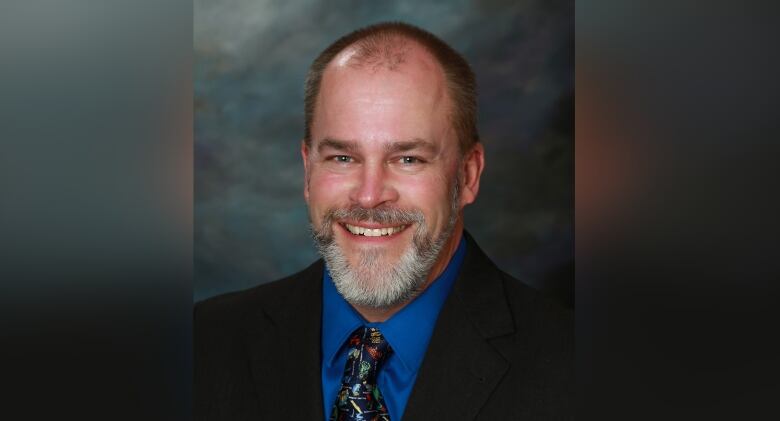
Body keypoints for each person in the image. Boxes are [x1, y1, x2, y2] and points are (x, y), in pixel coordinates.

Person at [195, 22, 573, 420]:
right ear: (308, 170)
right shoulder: (202, 343)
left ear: (468, 175)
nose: (370, 195)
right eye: (343, 158)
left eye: (408, 159)